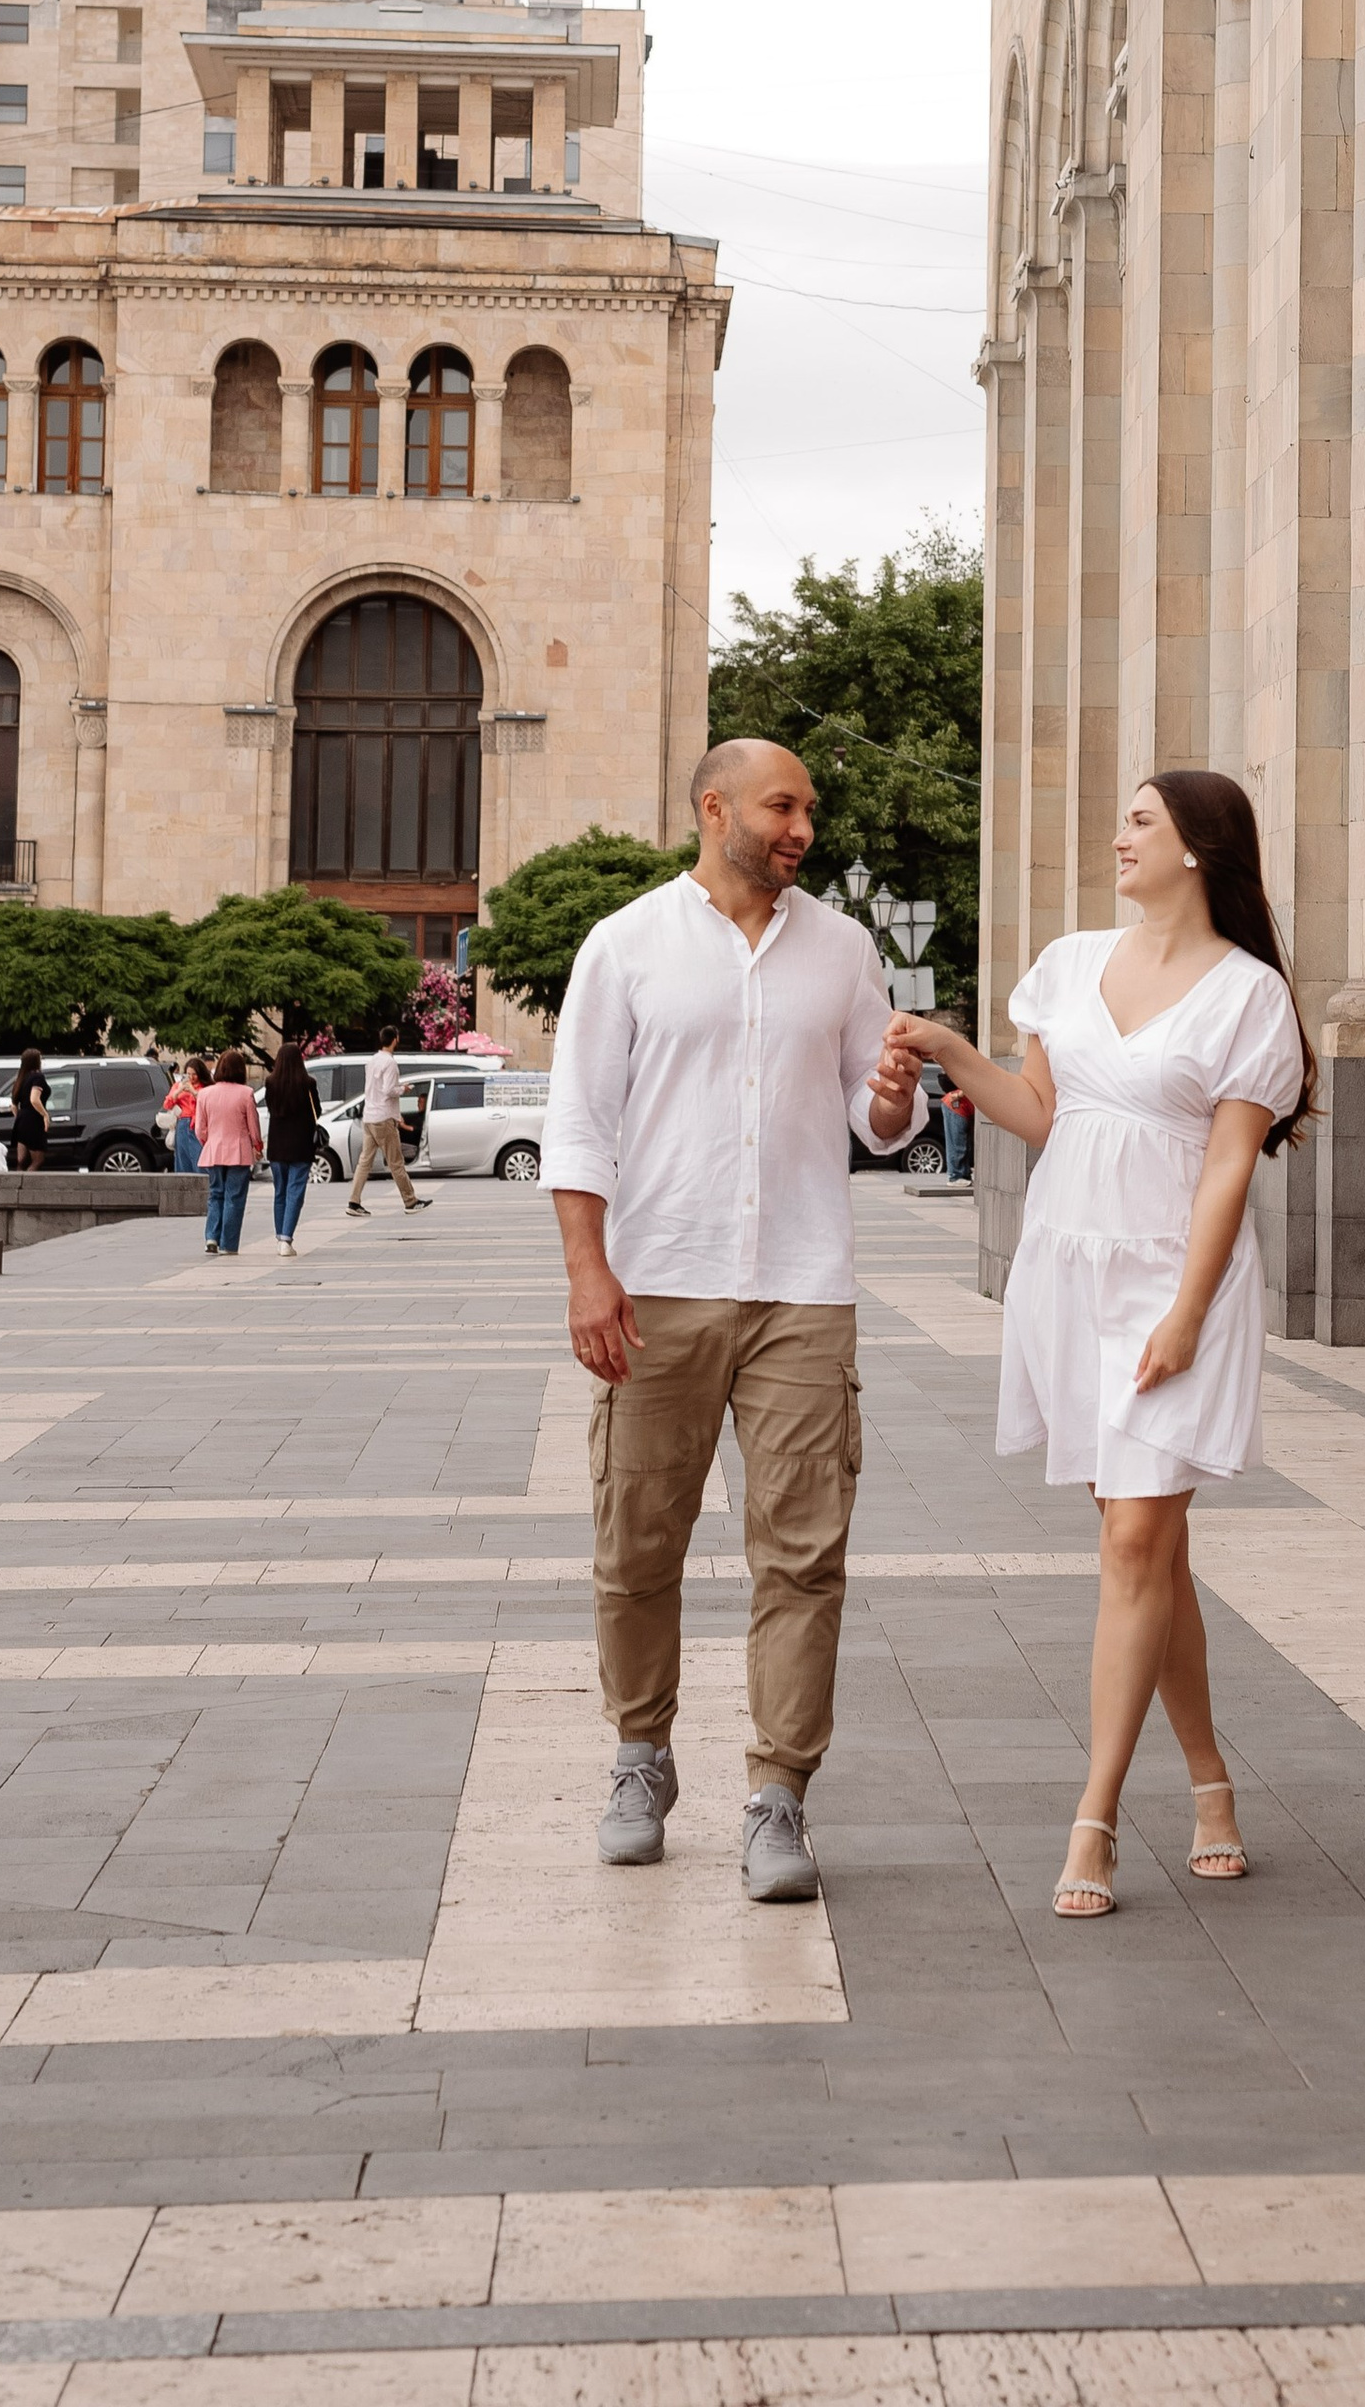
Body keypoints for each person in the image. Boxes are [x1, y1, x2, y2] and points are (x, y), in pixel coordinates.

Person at [884, 769, 1314, 1923]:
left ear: (1197, 847)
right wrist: (949, 1049)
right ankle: (1212, 1783)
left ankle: (1097, 1815)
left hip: (1173, 1285)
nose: (1119, 837)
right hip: (1067, 1276)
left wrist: (1187, 1311)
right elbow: (1040, 1113)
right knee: (1149, 1555)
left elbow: (1228, 1166)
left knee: (1132, 1542)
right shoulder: (1070, 964)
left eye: (1139, 821)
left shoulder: (1248, 995)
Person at [544, 737, 926, 1904]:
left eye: (808, 809)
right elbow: (578, 1120)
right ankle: (639, 1756)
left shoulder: (843, 947)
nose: (802, 827)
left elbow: (875, 1119)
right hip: (657, 1283)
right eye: (782, 806)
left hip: (803, 1287)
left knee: (804, 1554)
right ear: (715, 809)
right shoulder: (624, 945)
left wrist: (893, 1099)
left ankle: (779, 1793)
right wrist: (588, 1272)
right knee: (635, 1541)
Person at [344, 1024, 430, 1218]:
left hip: (369, 1117)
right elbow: (389, 1090)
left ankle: (354, 1202)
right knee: (396, 1162)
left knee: (364, 1162)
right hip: (383, 1118)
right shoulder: (390, 1063)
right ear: (395, 1039)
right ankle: (410, 1201)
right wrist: (403, 1089)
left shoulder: (372, 1060)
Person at [194, 1047, 264, 1256]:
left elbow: (199, 1128)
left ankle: (211, 1237)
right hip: (239, 1152)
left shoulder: (205, 1094)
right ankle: (228, 1243)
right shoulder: (246, 1093)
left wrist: (208, 1141)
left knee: (215, 1194)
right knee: (235, 1197)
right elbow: (253, 1125)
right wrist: (257, 1145)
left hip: (214, 1149)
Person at [263, 1041, 320, 1254]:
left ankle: (280, 1237)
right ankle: (286, 1239)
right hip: (301, 1145)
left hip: (277, 1146)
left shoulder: (271, 1082)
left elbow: (270, 1108)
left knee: (280, 1192)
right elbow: (317, 1111)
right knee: (295, 1191)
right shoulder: (308, 1083)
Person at [6, 1051, 51, 1172]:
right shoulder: (37, 1077)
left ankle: (18, 1182)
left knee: (22, 1161)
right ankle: (29, 1182)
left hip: (21, 1119)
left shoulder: (21, 1078)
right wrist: (45, 1114)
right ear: (36, 1061)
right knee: (37, 1160)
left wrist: (20, 1118)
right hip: (34, 1120)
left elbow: (13, 1106)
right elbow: (34, 1099)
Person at [165, 1055, 207, 1175]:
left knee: (199, 1157)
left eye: (194, 1074)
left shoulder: (205, 1087)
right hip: (183, 1123)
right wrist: (178, 1091)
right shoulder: (178, 1086)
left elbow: (207, 1103)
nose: (191, 1077)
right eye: (188, 1074)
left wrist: (193, 1092)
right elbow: (167, 1104)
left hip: (199, 1122)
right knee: (182, 1158)